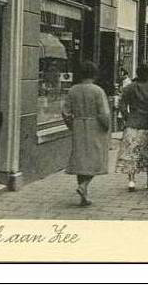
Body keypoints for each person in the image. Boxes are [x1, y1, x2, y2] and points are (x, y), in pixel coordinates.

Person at [62, 61, 110, 206]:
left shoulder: (73, 90)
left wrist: (71, 125)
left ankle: (84, 196)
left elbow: (65, 112)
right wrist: (106, 126)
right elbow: (103, 113)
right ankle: (84, 186)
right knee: (96, 158)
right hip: (94, 126)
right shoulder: (97, 91)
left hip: (78, 126)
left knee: (81, 159)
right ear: (94, 74)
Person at [114, 61, 148, 191]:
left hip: (132, 124)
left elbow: (121, 105)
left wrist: (127, 116)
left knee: (131, 153)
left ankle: (131, 181)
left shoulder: (130, 87)